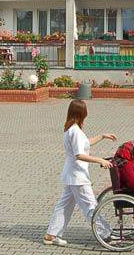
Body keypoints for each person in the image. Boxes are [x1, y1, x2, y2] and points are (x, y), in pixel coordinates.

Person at [43, 99, 117, 247]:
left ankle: (51, 235)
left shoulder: (72, 129)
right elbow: (79, 154)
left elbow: (85, 144)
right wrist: (100, 160)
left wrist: (102, 136)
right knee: (90, 206)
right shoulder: (75, 131)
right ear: (81, 113)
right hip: (78, 177)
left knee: (64, 205)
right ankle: (105, 234)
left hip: (72, 175)